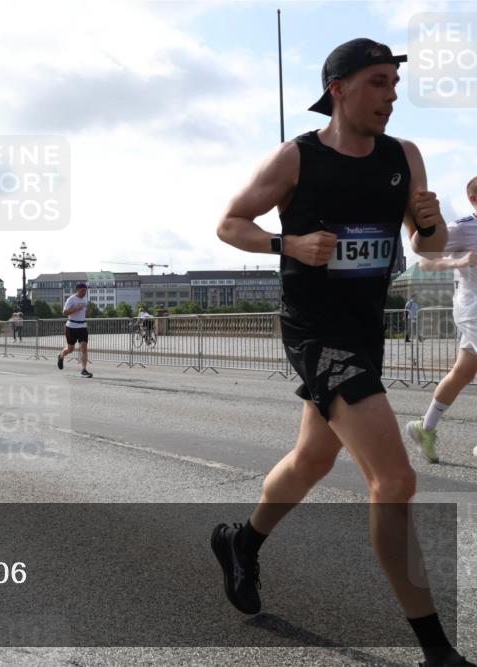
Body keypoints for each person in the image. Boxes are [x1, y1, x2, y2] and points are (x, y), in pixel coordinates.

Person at [212, 38, 471, 667]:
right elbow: (230, 223)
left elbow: (428, 249)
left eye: (394, 85)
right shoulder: (297, 157)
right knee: (396, 479)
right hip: (314, 331)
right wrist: (288, 246)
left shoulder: (403, 156)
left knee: (311, 459)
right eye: (378, 82)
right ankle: (435, 649)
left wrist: (430, 221)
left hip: (363, 333)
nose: (390, 96)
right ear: (339, 87)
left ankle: (240, 543)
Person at [406, 175, 477, 462]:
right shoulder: (462, 228)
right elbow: (425, 260)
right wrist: (459, 262)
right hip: (473, 309)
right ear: (474, 199)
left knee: (463, 372)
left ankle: (425, 427)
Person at [57, 282, 92, 378]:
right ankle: (61, 355)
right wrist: (75, 309)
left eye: (85, 291)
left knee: (84, 348)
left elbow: (85, 311)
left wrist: (87, 312)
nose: (84, 292)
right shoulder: (71, 299)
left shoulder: (85, 298)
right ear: (77, 290)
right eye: (82, 291)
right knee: (70, 349)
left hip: (82, 326)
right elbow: (64, 312)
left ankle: (84, 370)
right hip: (71, 326)